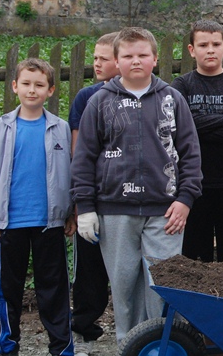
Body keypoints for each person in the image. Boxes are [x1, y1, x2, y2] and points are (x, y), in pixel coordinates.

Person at [71, 27, 203, 343]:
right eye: (128, 55)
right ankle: (127, 345)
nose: (136, 61)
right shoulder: (99, 102)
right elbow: (84, 157)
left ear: (155, 59)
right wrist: (85, 207)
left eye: (143, 55)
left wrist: (185, 199)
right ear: (117, 60)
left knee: (162, 284)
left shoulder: (173, 99)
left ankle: (160, 345)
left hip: (166, 211)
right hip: (114, 211)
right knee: (124, 283)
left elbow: (191, 153)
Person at [0, 58, 74, 356]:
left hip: (49, 224)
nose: (32, 90)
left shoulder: (61, 129)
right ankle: (7, 346)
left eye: (39, 85)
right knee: (9, 291)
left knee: (53, 290)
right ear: (15, 86)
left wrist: (71, 210)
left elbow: (72, 173)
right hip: (8, 224)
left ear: (51, 90)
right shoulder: (0, 128)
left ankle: (62, 347)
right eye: (26, 84)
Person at [172, 20, 223, 268]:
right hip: (193, 183)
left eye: (216, 44)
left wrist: (199, 124)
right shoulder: (181, 86)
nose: (210, 50)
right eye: (203, 44)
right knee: (195, 257)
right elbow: (181, 129)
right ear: (191, 49)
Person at [67, 31, 119, 356]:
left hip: (129, 199)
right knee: (89, 272)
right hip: (93, 199)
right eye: (94, 58)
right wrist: (79, 201)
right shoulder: (85, 97)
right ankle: (84, 328)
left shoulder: (148, 94)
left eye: (103, 58)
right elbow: (77, 153)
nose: (96, 64)